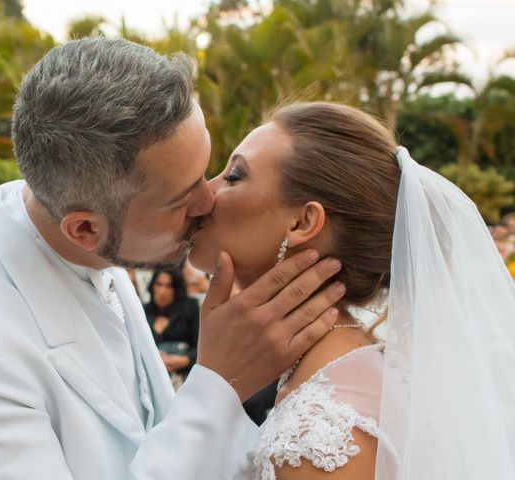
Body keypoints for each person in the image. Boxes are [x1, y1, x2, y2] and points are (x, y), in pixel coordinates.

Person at [0, 39, 345, 480]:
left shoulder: (102, 251)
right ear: (84, 229)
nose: (210, 201)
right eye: (182, 198)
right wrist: (219, 383)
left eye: (208, 170)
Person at [189, 101, 515, 479]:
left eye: (233, 176)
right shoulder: (347, 369)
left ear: (303, 221)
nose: (206, 195)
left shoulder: (319, 436)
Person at [143, 268, 199, 389]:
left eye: (169, 286)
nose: (162, 291)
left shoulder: (190, 308)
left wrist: (184, 360)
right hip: (152, 378)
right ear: (152, 286)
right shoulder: (143, 311)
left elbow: (203, 345)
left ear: (176, 289)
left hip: (184, 377)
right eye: (159, 284)